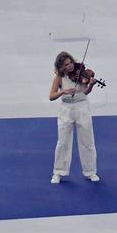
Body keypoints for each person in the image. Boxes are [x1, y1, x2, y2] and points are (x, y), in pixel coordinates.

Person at [48, 51, 99, 183]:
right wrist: (63, 91)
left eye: (70, 62)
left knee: (87, 141)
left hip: (82, 107)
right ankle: (58, 172)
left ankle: (90, 171)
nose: (70, 66)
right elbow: (51, 96)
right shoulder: (59, 77)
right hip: (66, 109)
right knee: (63, 142)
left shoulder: (81, 72)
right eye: (66, 65)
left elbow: (86, 91)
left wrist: (91, 84)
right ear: (61, 67)